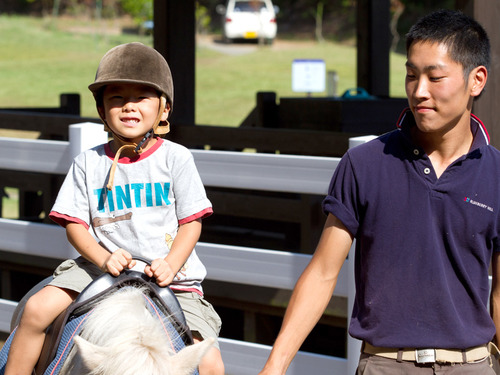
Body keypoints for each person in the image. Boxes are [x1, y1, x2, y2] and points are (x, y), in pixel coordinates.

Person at [259, 9, 500, 374]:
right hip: (384, 364)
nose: (419, 91)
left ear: (476, 80)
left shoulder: (497, 174)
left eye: (435, 78)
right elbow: (323, 273)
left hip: (473, 365)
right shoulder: (364, 164)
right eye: (411, 76)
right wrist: (274, 366)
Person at [5, 42, 224, 375]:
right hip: (98, 268)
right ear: (102, 108)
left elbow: (191, 222)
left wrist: (171, 263)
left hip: (169, 276)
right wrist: (102, 258)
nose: (128, 107)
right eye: (117, 98)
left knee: (209, 364)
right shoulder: (88, 162)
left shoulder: (176, 158)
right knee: (36, 310)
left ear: (164, 109)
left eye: (141, 97)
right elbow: (75, 224)